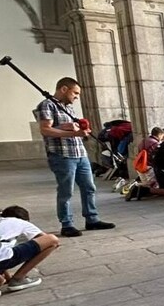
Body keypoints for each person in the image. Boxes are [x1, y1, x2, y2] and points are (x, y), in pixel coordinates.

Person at [35, 77, 115, 237]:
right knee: (66, 191)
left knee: (89, 187)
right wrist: (74, 131)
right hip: (62, 155)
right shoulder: (47, 105)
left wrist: (79, 131)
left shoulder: (68, 108)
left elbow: (67, 128)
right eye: (75, 93)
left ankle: (92, 219)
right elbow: (45, 130)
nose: (76, 97)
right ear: (64, 89)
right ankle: (67, 224)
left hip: (79, 152)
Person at [0, 205, 60, 292]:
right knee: (52, 240)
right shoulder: (20, 222)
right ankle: (19, 279)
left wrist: (8, 278)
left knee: (0, 264)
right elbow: (45, 238)